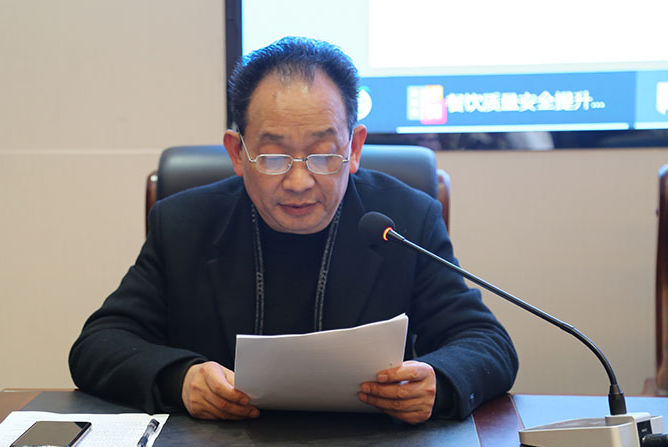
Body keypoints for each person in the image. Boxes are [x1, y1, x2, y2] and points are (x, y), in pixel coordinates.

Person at [69, 37, 517, 423]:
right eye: (273, 157)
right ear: (237, 153)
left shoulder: (404, 220)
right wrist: (179, 380)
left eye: (323, 155)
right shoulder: (185, 223)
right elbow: (99, 344)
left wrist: (439, 383)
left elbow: (487, 343)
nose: (299, 182)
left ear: (354, 148)